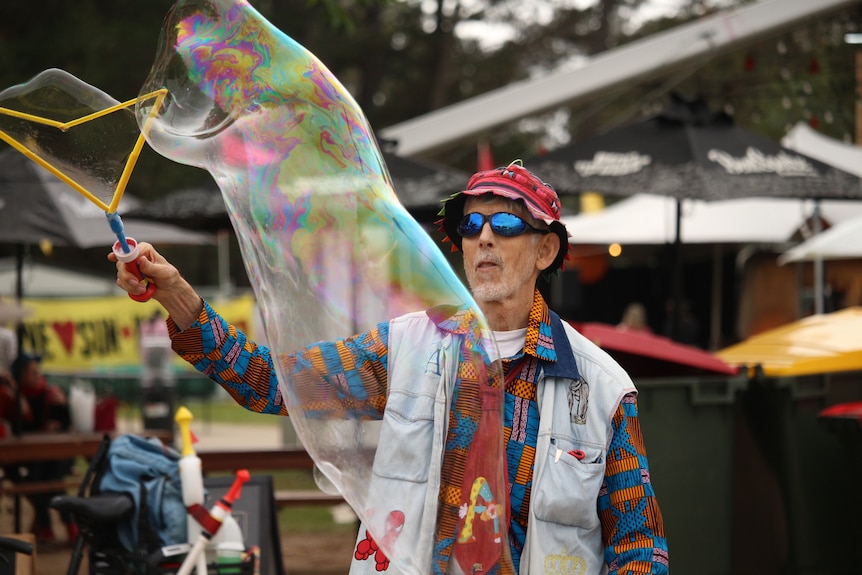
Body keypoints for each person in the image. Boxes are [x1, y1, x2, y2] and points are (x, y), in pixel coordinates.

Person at [111, 161, 668, 574]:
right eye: (471, 226)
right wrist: (180, 297)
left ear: (546, 252)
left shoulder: (601, 387)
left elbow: (638, 548)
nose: (485, 238)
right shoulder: (406, 348)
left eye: (506, 224)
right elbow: (270, 383)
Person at [3, 354, 78, 545]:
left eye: (38, 370)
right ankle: (68, 526)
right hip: (26, 459)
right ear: (20, 375)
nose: (37, 374)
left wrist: (64, 406)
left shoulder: (51, 393)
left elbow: (66, 425)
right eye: (32, 371)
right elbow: (19, 427)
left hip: (54, 457)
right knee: (46, 476)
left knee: (45, 474)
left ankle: (47, 528)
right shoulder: (12, 397)